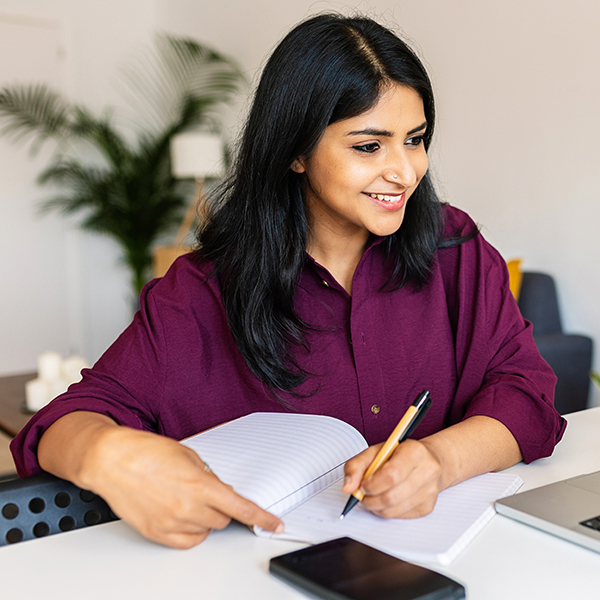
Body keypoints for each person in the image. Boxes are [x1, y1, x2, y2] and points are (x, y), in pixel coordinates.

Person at [11, 13, 565, 549]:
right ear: (296, 151)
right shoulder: (202, 290)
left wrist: (439, 461)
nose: (405, 171)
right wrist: (110, 457)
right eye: (369, 146)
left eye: (415, 139)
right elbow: (65, 422)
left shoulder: (453, 247)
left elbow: (527, 394)